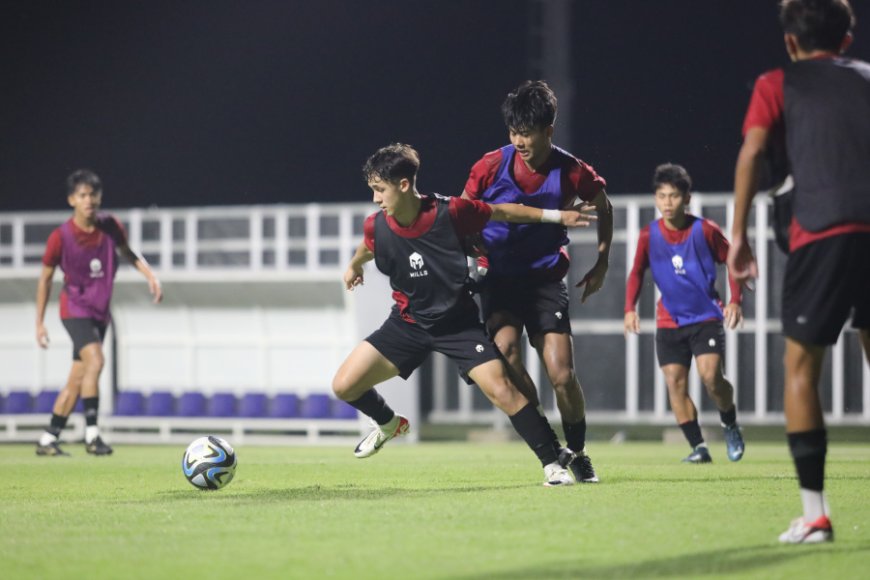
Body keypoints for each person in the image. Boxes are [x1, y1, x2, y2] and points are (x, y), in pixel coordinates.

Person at [332, 143, 598, 486]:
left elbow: (502, 211)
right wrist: (354, 266)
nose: (375, 199)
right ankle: (387, 423)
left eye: (379, 190)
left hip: (457, 326)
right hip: (408, 324)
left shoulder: (451, 211)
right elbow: (369, 246)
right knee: (344, 385)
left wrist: (557, 216)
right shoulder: (376, 226)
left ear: (403, 185)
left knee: (503, 390)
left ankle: (552, 464)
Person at [729, 0, 870, 544]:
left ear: (791, 41)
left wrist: (737, 237)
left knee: (800, 369)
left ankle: (815, 514)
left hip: (823, 231)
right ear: (848, 39)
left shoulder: (776, 82)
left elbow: (751, 154)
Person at [460, 80, 613, 483]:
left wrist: (601, 263)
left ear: (549, 129)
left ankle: (578, 451)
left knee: (562, 374)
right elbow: (464, 212)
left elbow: (603, 205)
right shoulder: (490, 165)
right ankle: (547, 441)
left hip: (544, 279)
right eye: (513, 132)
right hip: (499, 280)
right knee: (507, 353)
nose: (519, 140)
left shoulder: (572, 170)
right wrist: (473, 245)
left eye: (527, 132)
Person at [35, 169, 163, 456]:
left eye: (93, 194)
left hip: (99, 312)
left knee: (78, 376)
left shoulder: (111, 227)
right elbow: (44, 279)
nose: (88, 200)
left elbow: (128, 252)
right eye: (82, 195)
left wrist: (151, 276)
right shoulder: (60, 237)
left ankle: (48, 438)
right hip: (74, 308)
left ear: (99, 197)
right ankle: (92, 434)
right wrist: (39, 323)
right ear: (72, 200)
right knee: (96, 360)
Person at [624, 164, 745, 464]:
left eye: (674, 196)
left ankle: (729, 422)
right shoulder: (648, 235)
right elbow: (637, 272)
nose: (667, 203)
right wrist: (629, 309)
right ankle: (698, 447)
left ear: (686, 198)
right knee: (675, 382)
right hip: (669, 320)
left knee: (711, 378)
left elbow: (733, 261)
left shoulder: (704, 230)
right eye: (662, 196)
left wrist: (735, 300)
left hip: (705, 317)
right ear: (655, 198)